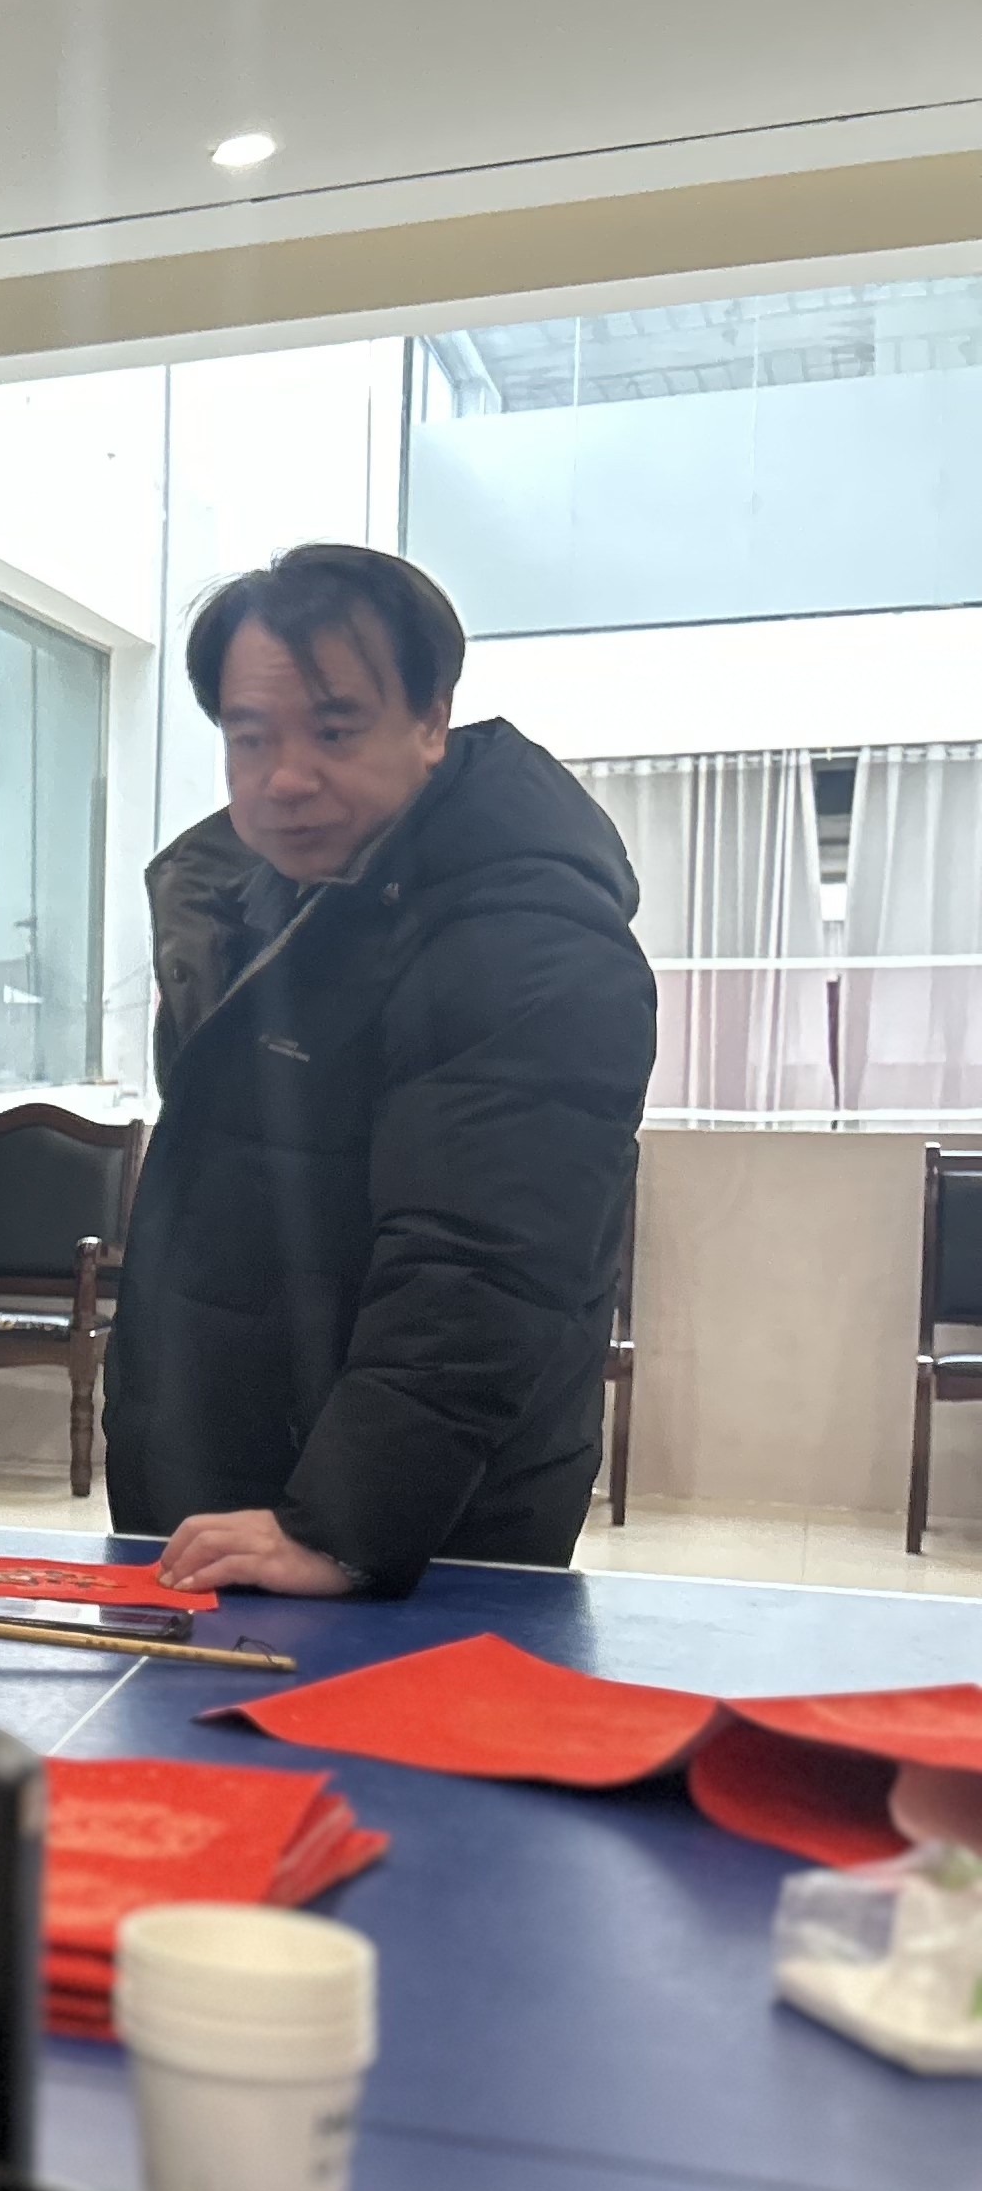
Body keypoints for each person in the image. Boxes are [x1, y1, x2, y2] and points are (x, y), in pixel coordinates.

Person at [108, 543, 652, 1596]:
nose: (285, 778)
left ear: (431, 720)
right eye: (249, 737)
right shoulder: (274, 901)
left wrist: (343, 1530)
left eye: (335, 729)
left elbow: (482, 1265)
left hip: (410, 1530)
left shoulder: (527, 932)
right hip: (249, 1497)